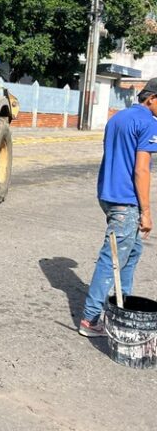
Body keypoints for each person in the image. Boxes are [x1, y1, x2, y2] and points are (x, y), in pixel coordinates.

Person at [78, 78, 157, 337]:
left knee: (131, 252)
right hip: (126, 201)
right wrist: (146, 212)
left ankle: (120, 307)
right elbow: (141, 170)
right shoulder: (148, 123)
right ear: (151, 99)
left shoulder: (117, 118)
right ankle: (90, 319)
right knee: (111, 258)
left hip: (108, 195)